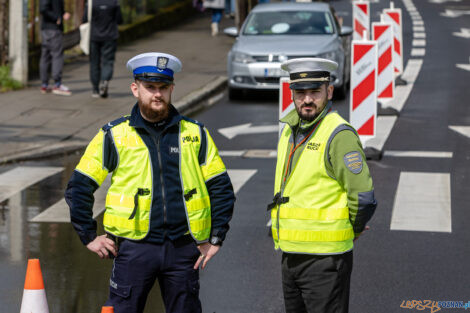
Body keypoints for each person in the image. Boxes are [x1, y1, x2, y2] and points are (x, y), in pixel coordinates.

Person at [65, 52, 235, 313]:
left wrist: (216, 237)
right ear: (135, 89)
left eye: (163, 88)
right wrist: (88, 236)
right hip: (134, 250)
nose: (157, 94)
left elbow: (221, 188)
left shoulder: (194, 133)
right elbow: (79, 186)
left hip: (183, 250)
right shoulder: (114, 135)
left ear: (172, 89)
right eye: (150, 87)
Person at [268, 58, 377, 313]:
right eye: (300, 93)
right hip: (290, 255)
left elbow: (363, 196)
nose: (307, 100)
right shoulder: (289, 129)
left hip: (325, 261)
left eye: (314, 92)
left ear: (329, 91)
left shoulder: (339, 134)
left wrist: (354, 229)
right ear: (291, 93)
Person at [82, 0, 123, 98]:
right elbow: (119, 20)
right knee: (108, 61)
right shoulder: (114, 2)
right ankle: (105, 81)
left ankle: (95, 89)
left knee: (94, 62)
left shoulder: (91, 3)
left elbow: (84, 19)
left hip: (94, 37)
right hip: (110, 36)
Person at [39, 0, 72, 96]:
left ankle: (44, 84)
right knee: (57, 55)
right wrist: (56, 18)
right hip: (53, 29)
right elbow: (43, 9)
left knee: (45, 56)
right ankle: (57, 84)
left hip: (46, 29)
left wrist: (63, 13)